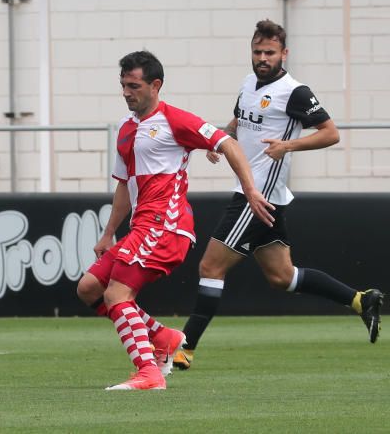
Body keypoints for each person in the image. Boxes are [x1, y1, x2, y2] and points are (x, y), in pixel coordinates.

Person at [173, 20, 384, 370]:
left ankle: (185, 348)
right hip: (260, 194)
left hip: (257, 196)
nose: (262, 58)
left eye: (269, 53)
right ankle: (362, 300)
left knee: (210, 266)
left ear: (284, 54)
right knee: (282, 277)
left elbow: (331, 134)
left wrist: (288, 145)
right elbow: (243, 119)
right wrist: (221, 138)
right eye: (257, 52)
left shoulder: (295, 91)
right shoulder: (248, 83)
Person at [74, 50, 274, 390]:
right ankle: (164, 338)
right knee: (89, 288)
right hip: (142, 227)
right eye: (123, 85)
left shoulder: (175, 120)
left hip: (165, 225)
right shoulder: (125, 130)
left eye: (133, 86)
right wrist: (109, 233)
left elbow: (228, 144)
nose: (126, 92)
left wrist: (250, 190)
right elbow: (125, 185)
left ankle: (149, 373)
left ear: (155, 85)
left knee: (117, 295)